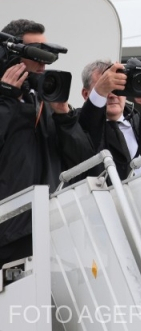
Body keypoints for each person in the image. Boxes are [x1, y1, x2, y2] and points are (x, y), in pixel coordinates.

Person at [0, 19, 93, 267]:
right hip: (8, 230)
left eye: (47, 54)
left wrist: (64, 115)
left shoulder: (45, 100)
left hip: (48, 226)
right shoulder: (4, 102)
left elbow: (82, 162)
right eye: (37, 54)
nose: (44, 63)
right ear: (11, 55)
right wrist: (7, 100)